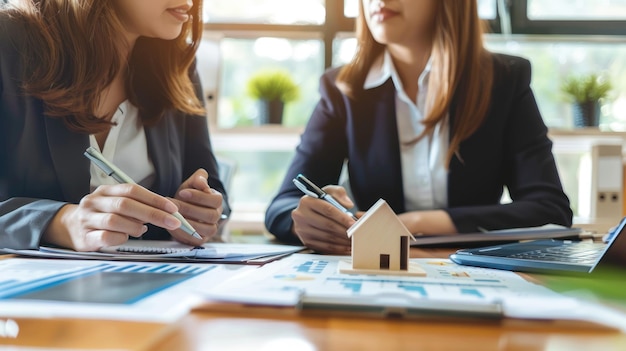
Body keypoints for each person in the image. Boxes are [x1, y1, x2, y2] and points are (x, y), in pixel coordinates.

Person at [265, 0, 573, 254]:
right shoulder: (344, 89)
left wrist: (416, 222)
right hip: (380, 277)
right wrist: (307, 221)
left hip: (477, 276)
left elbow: (550, 210)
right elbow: (283, 205)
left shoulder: (504, 80)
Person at [0, 0, 229, 251]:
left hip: (151, 281)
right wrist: (62, 222)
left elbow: (213, 186)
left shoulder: (177, 65)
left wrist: (203, 212)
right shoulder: (8, 42)